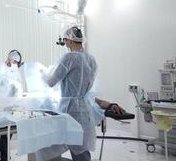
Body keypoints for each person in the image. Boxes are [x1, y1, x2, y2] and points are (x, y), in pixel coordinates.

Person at [41, 27, 124, 161]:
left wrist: (42, 74)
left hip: (70, 110)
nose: (65, 44)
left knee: (74, 149)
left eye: (65, 40)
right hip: (85, 110)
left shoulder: (69, 58)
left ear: (69, 40)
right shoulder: (91, 59)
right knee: (82, 149)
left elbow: (51, 82)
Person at [0, 50, 24, 161]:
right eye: (15, 62)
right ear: (11, 60)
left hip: (9, 109)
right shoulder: (0, 67)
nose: (15, 65)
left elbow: (18, 87)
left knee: (6, 137)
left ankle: (4, 159)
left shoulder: (15, 71)